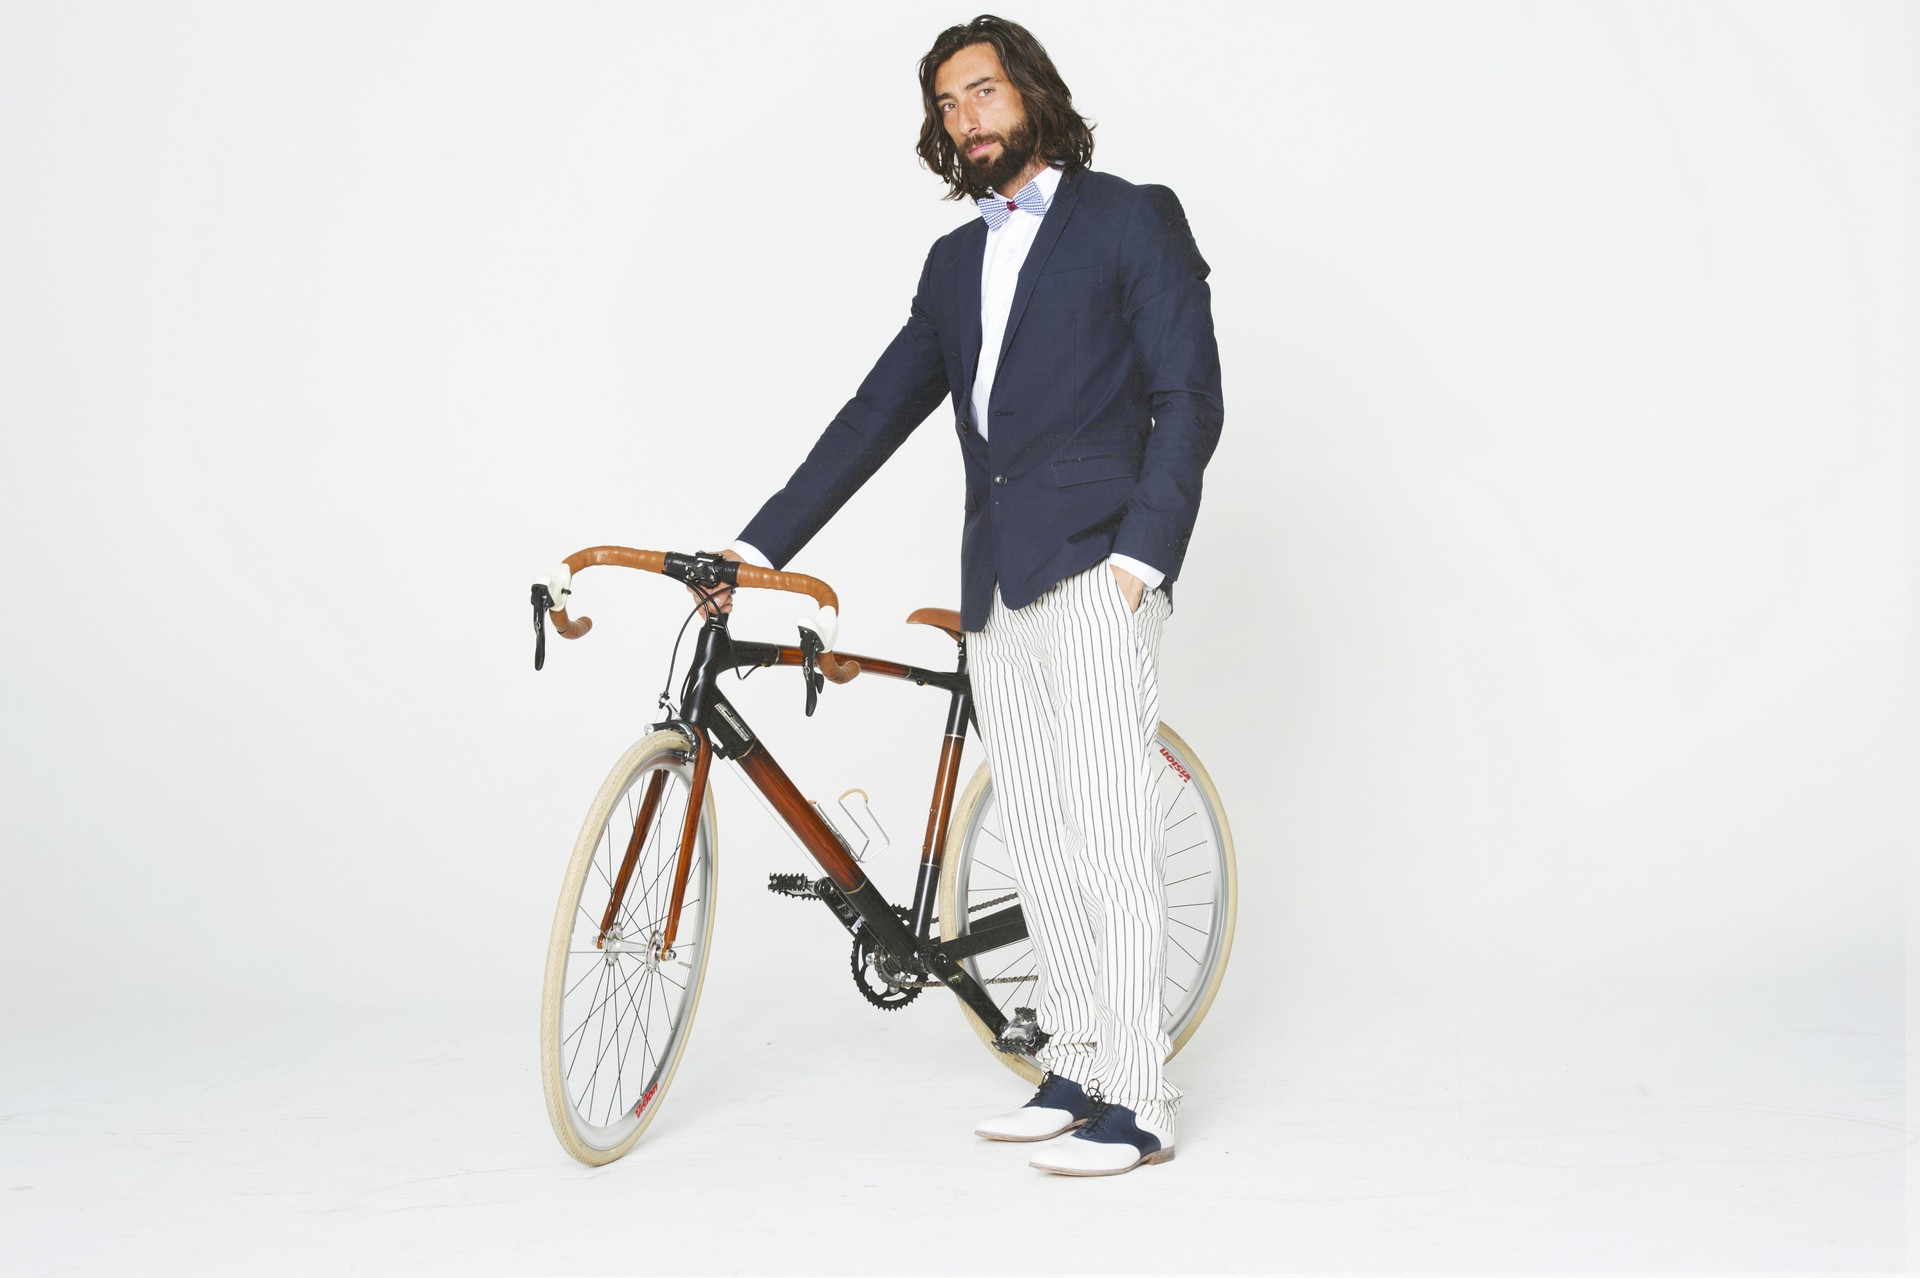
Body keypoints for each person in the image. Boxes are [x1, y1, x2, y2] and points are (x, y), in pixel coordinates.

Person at [717, 14, 1222, 1176]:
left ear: (1033, 92)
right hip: (996, 584)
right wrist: (757, 546)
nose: (966, 119)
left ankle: (1141, 1098)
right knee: (1039, 841)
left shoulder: (1130, 217)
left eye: (983, 92)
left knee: (1109, 838)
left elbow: (1187, 395)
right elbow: (874, 415)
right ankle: (1078, 1066)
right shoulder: (953, 264)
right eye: (948, 104)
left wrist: (1142, 561)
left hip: (1100, 572)